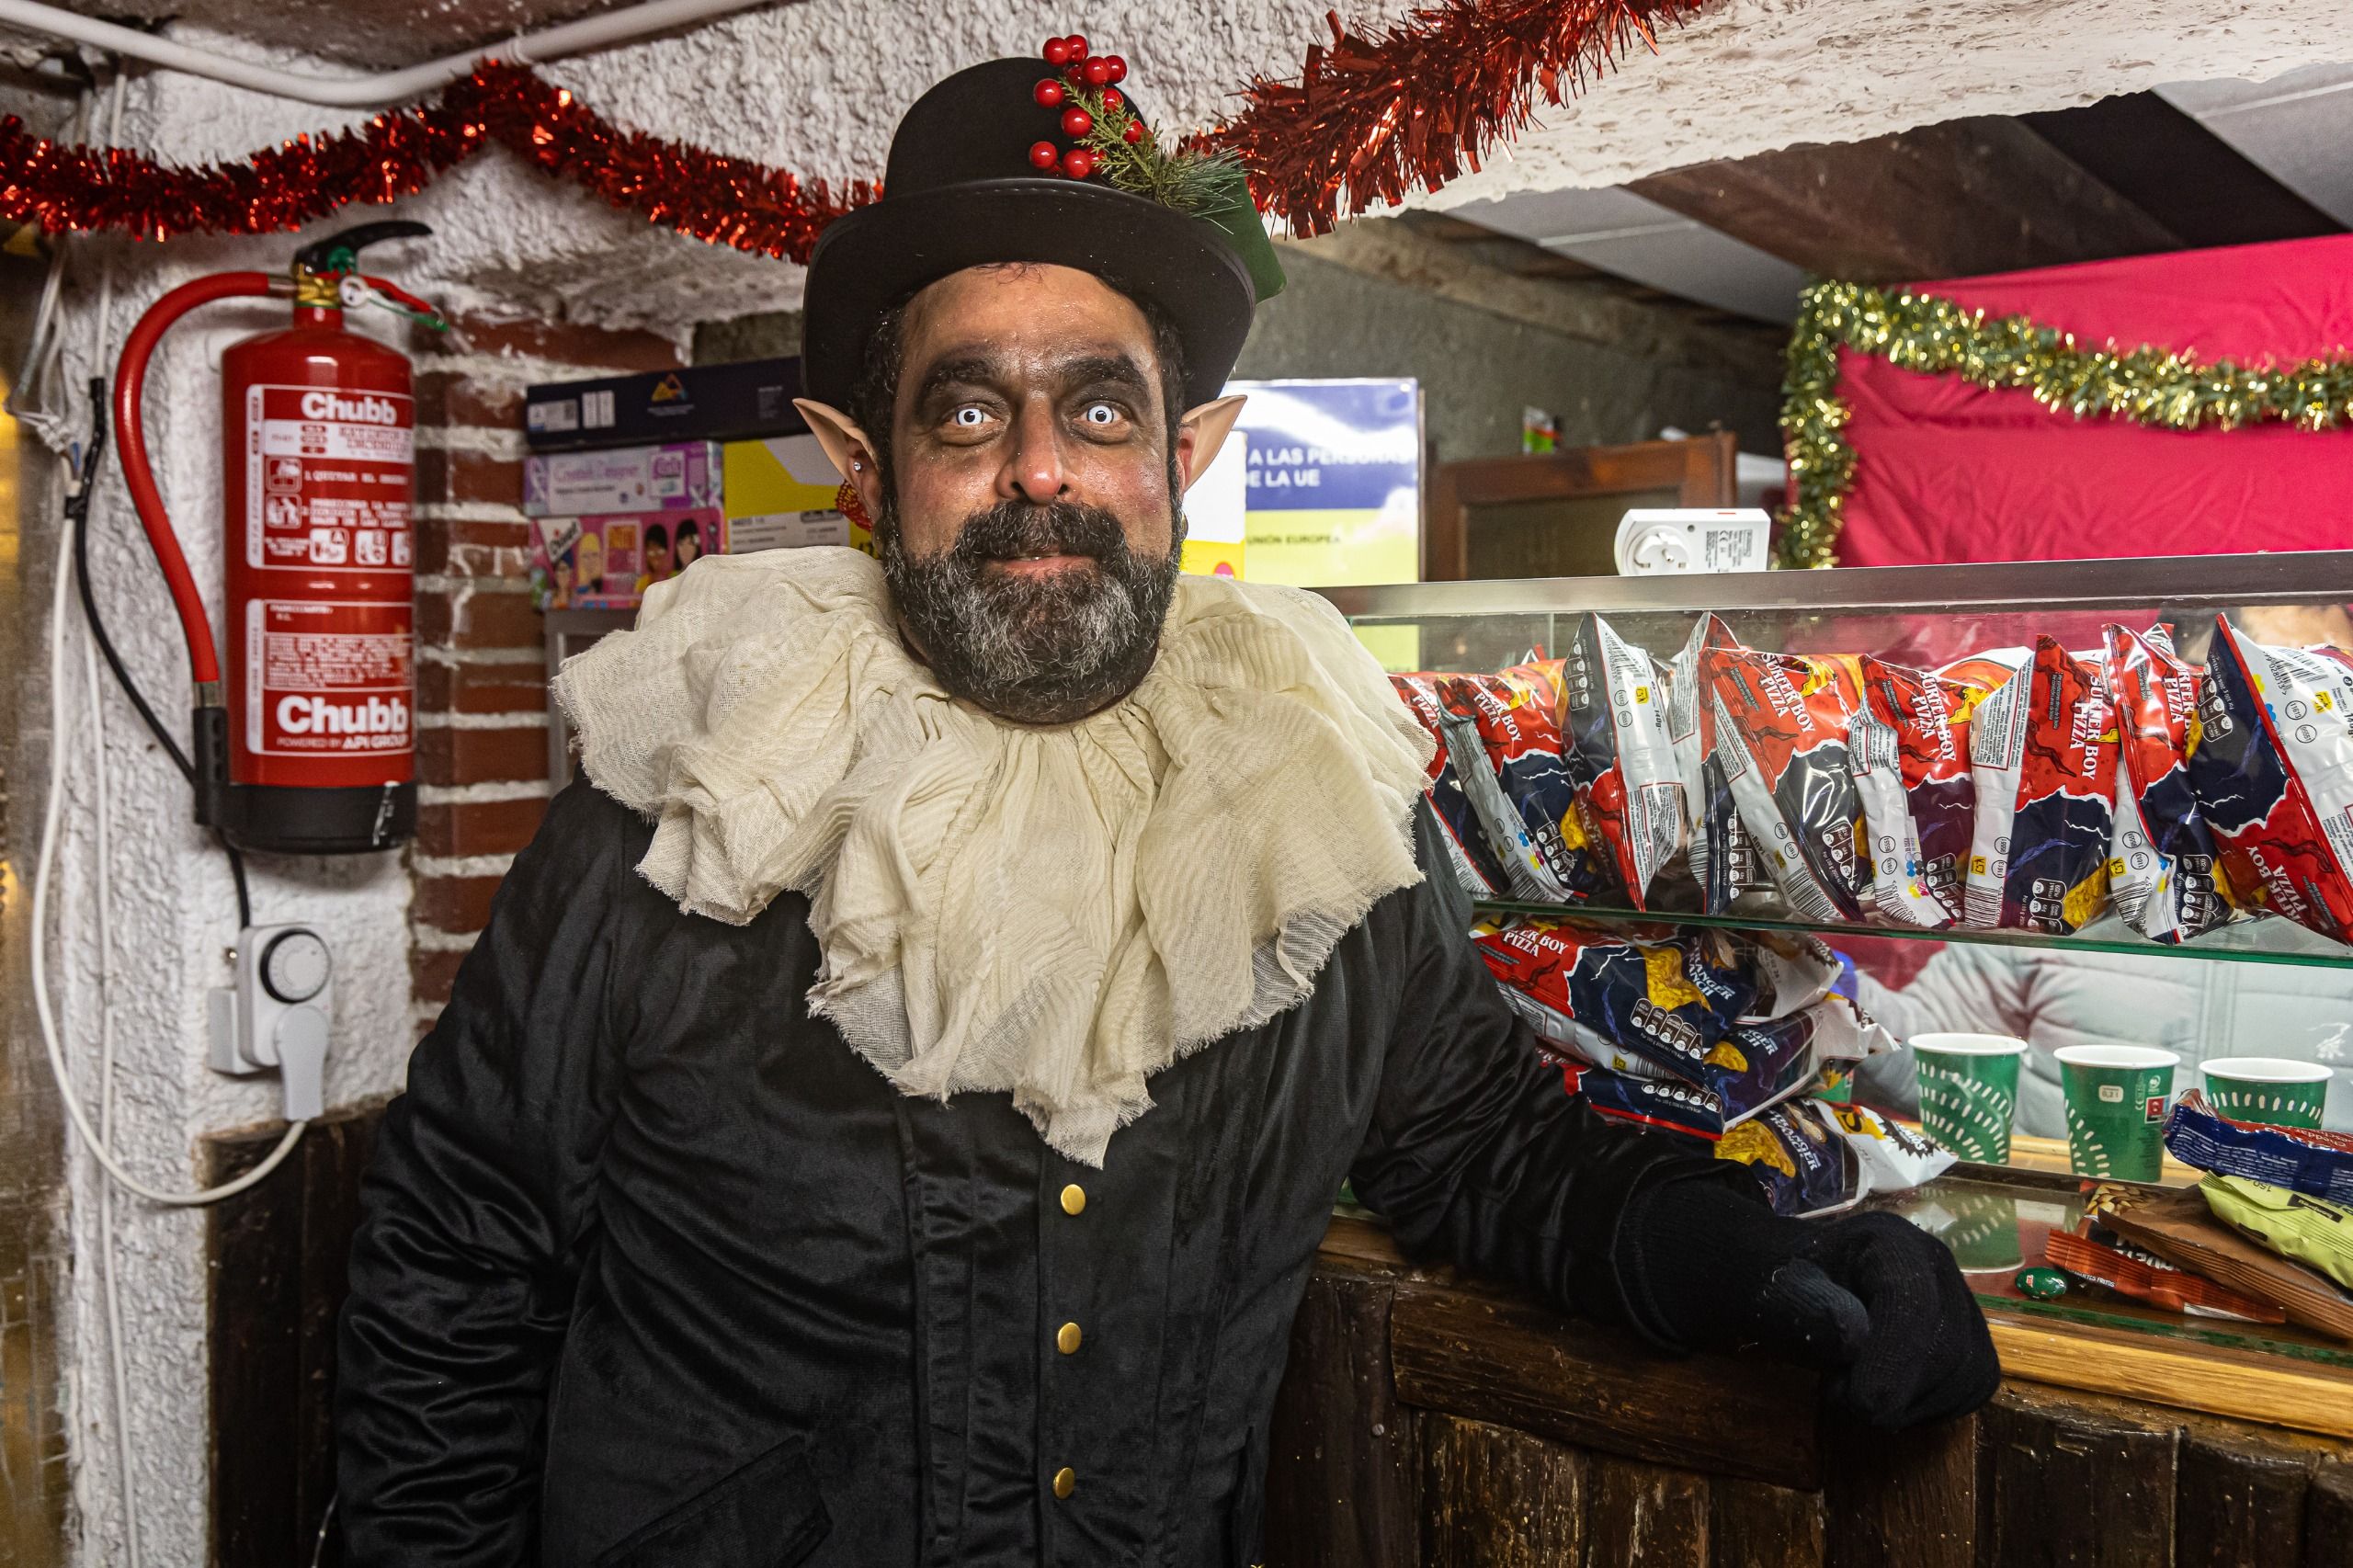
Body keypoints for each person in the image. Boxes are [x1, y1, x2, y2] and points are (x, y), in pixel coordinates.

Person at [335, 51, 1995, 1566]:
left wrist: (1768, 1260)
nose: (1041, 467)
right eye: (971, 409)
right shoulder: (687, 804)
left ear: (1186, 456)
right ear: (866, 468)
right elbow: (455, 1259)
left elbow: (1485, 1148)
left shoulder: (1312, 791)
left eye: (1101, 408)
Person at [1857, 938, 2353, 1134]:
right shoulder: (2070, 870)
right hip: (2050, 1208)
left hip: (2309, 1243)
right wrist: (1837, 989)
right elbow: (1934, 1045)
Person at [635, 519, 672, 594]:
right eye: (651, 552)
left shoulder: (674, 579)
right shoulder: (642, 583)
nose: (656, 557)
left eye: (660, 551)